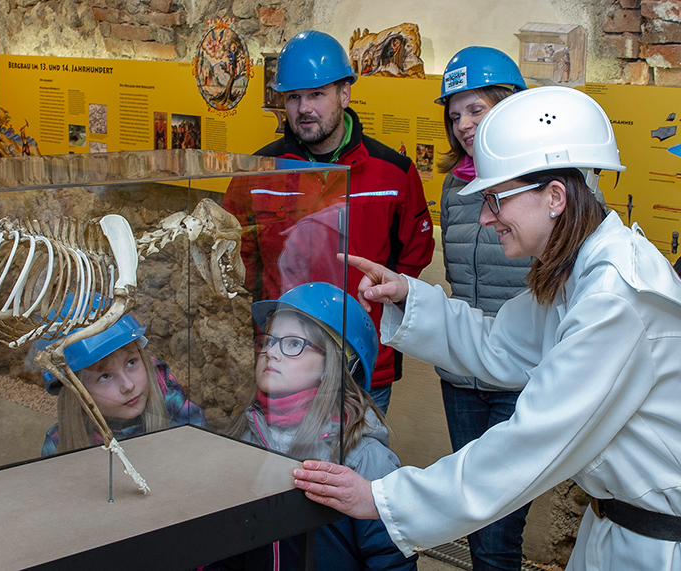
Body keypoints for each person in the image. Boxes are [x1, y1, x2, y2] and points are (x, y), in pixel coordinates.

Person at [292, 86, 681, 571]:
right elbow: (499, 344)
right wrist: (409, 296)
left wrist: (387, 499)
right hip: (613, 534)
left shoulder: (613, 299)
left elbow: (531, 441)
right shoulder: (581, 274)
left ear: (555, 197)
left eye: (496, 199)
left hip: (654, 548)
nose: (484, 217)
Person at [222, 30, 434, 414]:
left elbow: (411, 262)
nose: (304, 108)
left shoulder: (394, 173)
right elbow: (239, 267)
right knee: (287, 471)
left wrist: (380, 325)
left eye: (317, 94)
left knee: (360, 465)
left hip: (362, 362)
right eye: (293, 96)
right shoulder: (257, 174)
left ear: (345, 94)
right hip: (286, 359)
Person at [212, 281, 417, 571]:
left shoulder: (361, 456)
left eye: (294, 344)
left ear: (333, 364)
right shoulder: (246, 435)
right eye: (268, 340)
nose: (271, 352)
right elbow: (226, 548)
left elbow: (391, 560)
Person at [434, 46, 532, 571]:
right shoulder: (454, 185)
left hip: (520, 376)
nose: (465, 125)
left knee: (498, 533)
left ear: (509, 105)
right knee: (470, 520)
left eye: (477, 110)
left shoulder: (545, 183)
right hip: (462, 375)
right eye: (455, 116)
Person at [37, 304, 206, 456]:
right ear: (75, 391)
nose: (128, 385)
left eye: (131, 362)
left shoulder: (176, 409)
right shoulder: (58, 445)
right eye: (105, 376)